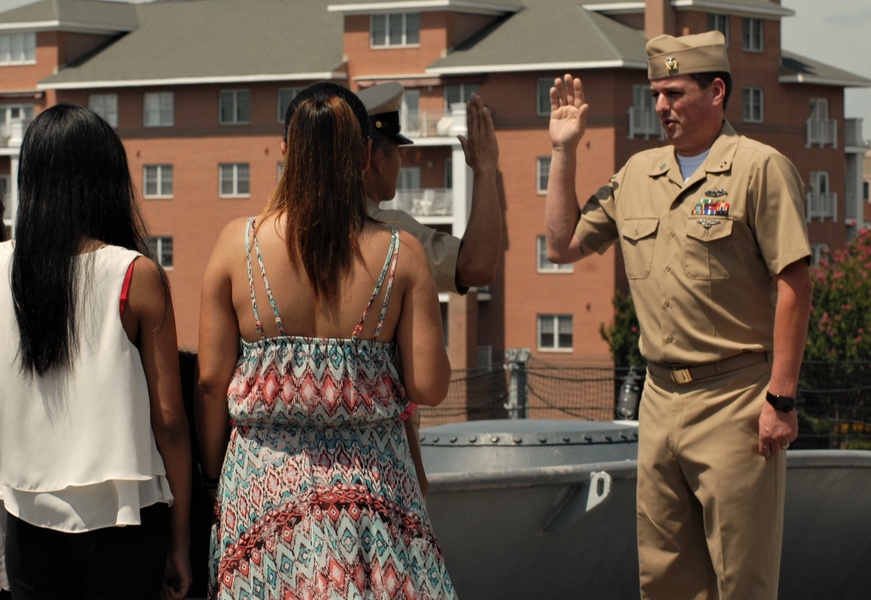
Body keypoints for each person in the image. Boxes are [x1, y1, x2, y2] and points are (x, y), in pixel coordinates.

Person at [544, 32, 812, 599]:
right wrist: (564, 151)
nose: (660, 106)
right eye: (656, 94)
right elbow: (561, 245)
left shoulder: (760, 169)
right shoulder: (638, 174)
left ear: (716, 91)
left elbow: (795, 283)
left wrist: (781, 399)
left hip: (737, 399)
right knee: (665, 579)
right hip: (660, 401)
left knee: (743, 580)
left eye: (674, 92)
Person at [197, 82, 456, 599]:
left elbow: (209, 381)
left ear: (286, 151)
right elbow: (428, 386)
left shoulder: (236, 243)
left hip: (261, 491)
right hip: (375, 488)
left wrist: (212, 480)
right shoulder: (400, 254)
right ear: (365, 154)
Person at [0, 104, 192, 599]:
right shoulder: (136, 275)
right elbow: (169, 420)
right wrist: (181, 541)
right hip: (125, 518)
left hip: (27, 514)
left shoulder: (3, 267)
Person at [357, 82, 501, 496]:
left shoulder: (272, 233)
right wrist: (486, 171)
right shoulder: (391, 235)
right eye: (397, 151)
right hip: (379, 459)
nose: (402, 162)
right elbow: (477, 265)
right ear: (373, 158)